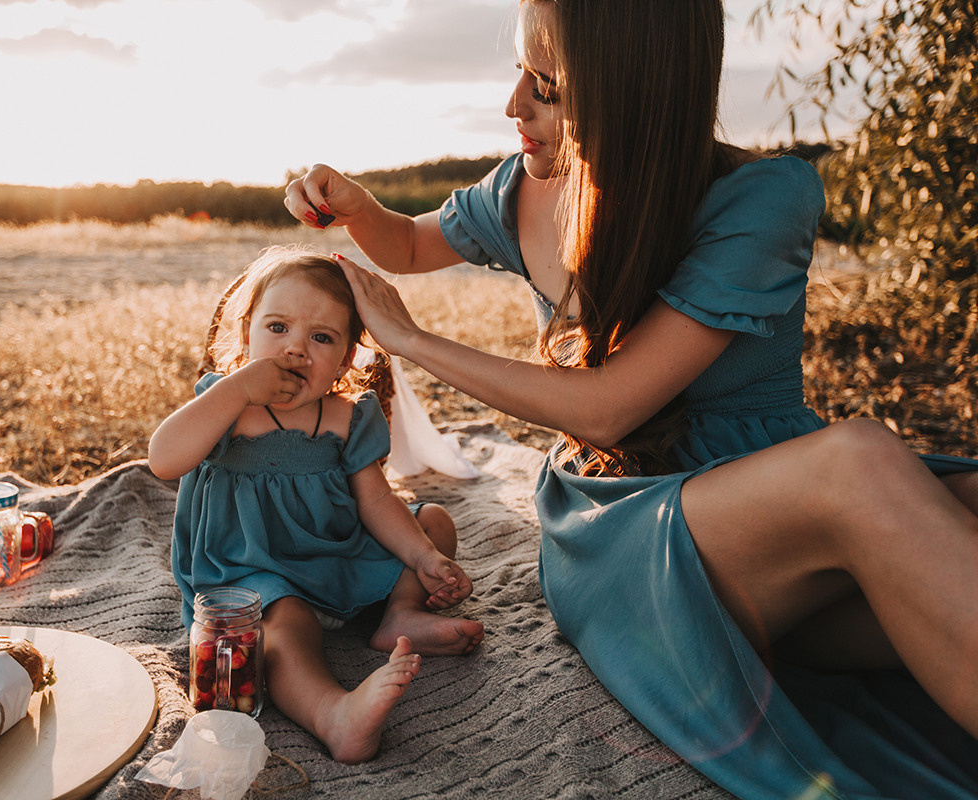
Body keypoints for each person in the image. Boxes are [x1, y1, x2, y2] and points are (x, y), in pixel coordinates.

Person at [284, 0, 978, 796]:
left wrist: (415, 341)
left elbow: (610, 397)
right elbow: (411, 244)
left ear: (635, 89)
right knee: (861, 463)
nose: (514, 106)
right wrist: (354, 205)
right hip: (624, 521)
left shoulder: (758, 200)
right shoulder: (523, 191)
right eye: (520, 73)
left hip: (767, 508)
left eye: (545, 85)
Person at [148, 245, 485, 763]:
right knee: (282, 626)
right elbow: (164, 459)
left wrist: (421, 558)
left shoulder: (348, 416)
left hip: (335, 558)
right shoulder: (227, 407)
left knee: (433, 523)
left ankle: (401, 613)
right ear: (245, 334)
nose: (295, 350)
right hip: (252, 570)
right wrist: (236, 390)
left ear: (348, 357)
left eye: (321, 337)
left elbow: (374, 499)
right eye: (277, 328)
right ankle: (334, 714)